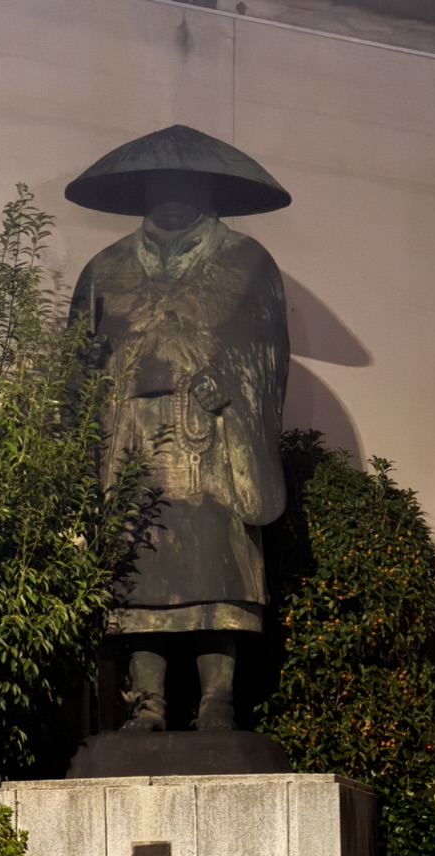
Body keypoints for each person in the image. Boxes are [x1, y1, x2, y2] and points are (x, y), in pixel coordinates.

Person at [66, 125, 291, 731]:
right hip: (132, 440)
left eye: (184, 186)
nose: (171, 198)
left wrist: (234, 391)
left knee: (217, 565)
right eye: (159, 186)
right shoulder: (105, 270)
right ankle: (149, 705)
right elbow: (76, 371)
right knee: (139, 569)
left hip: (215, 438)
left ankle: (218, 698)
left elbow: (269, 358)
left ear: (208, 191)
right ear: (142, 191)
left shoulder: (246, 264)